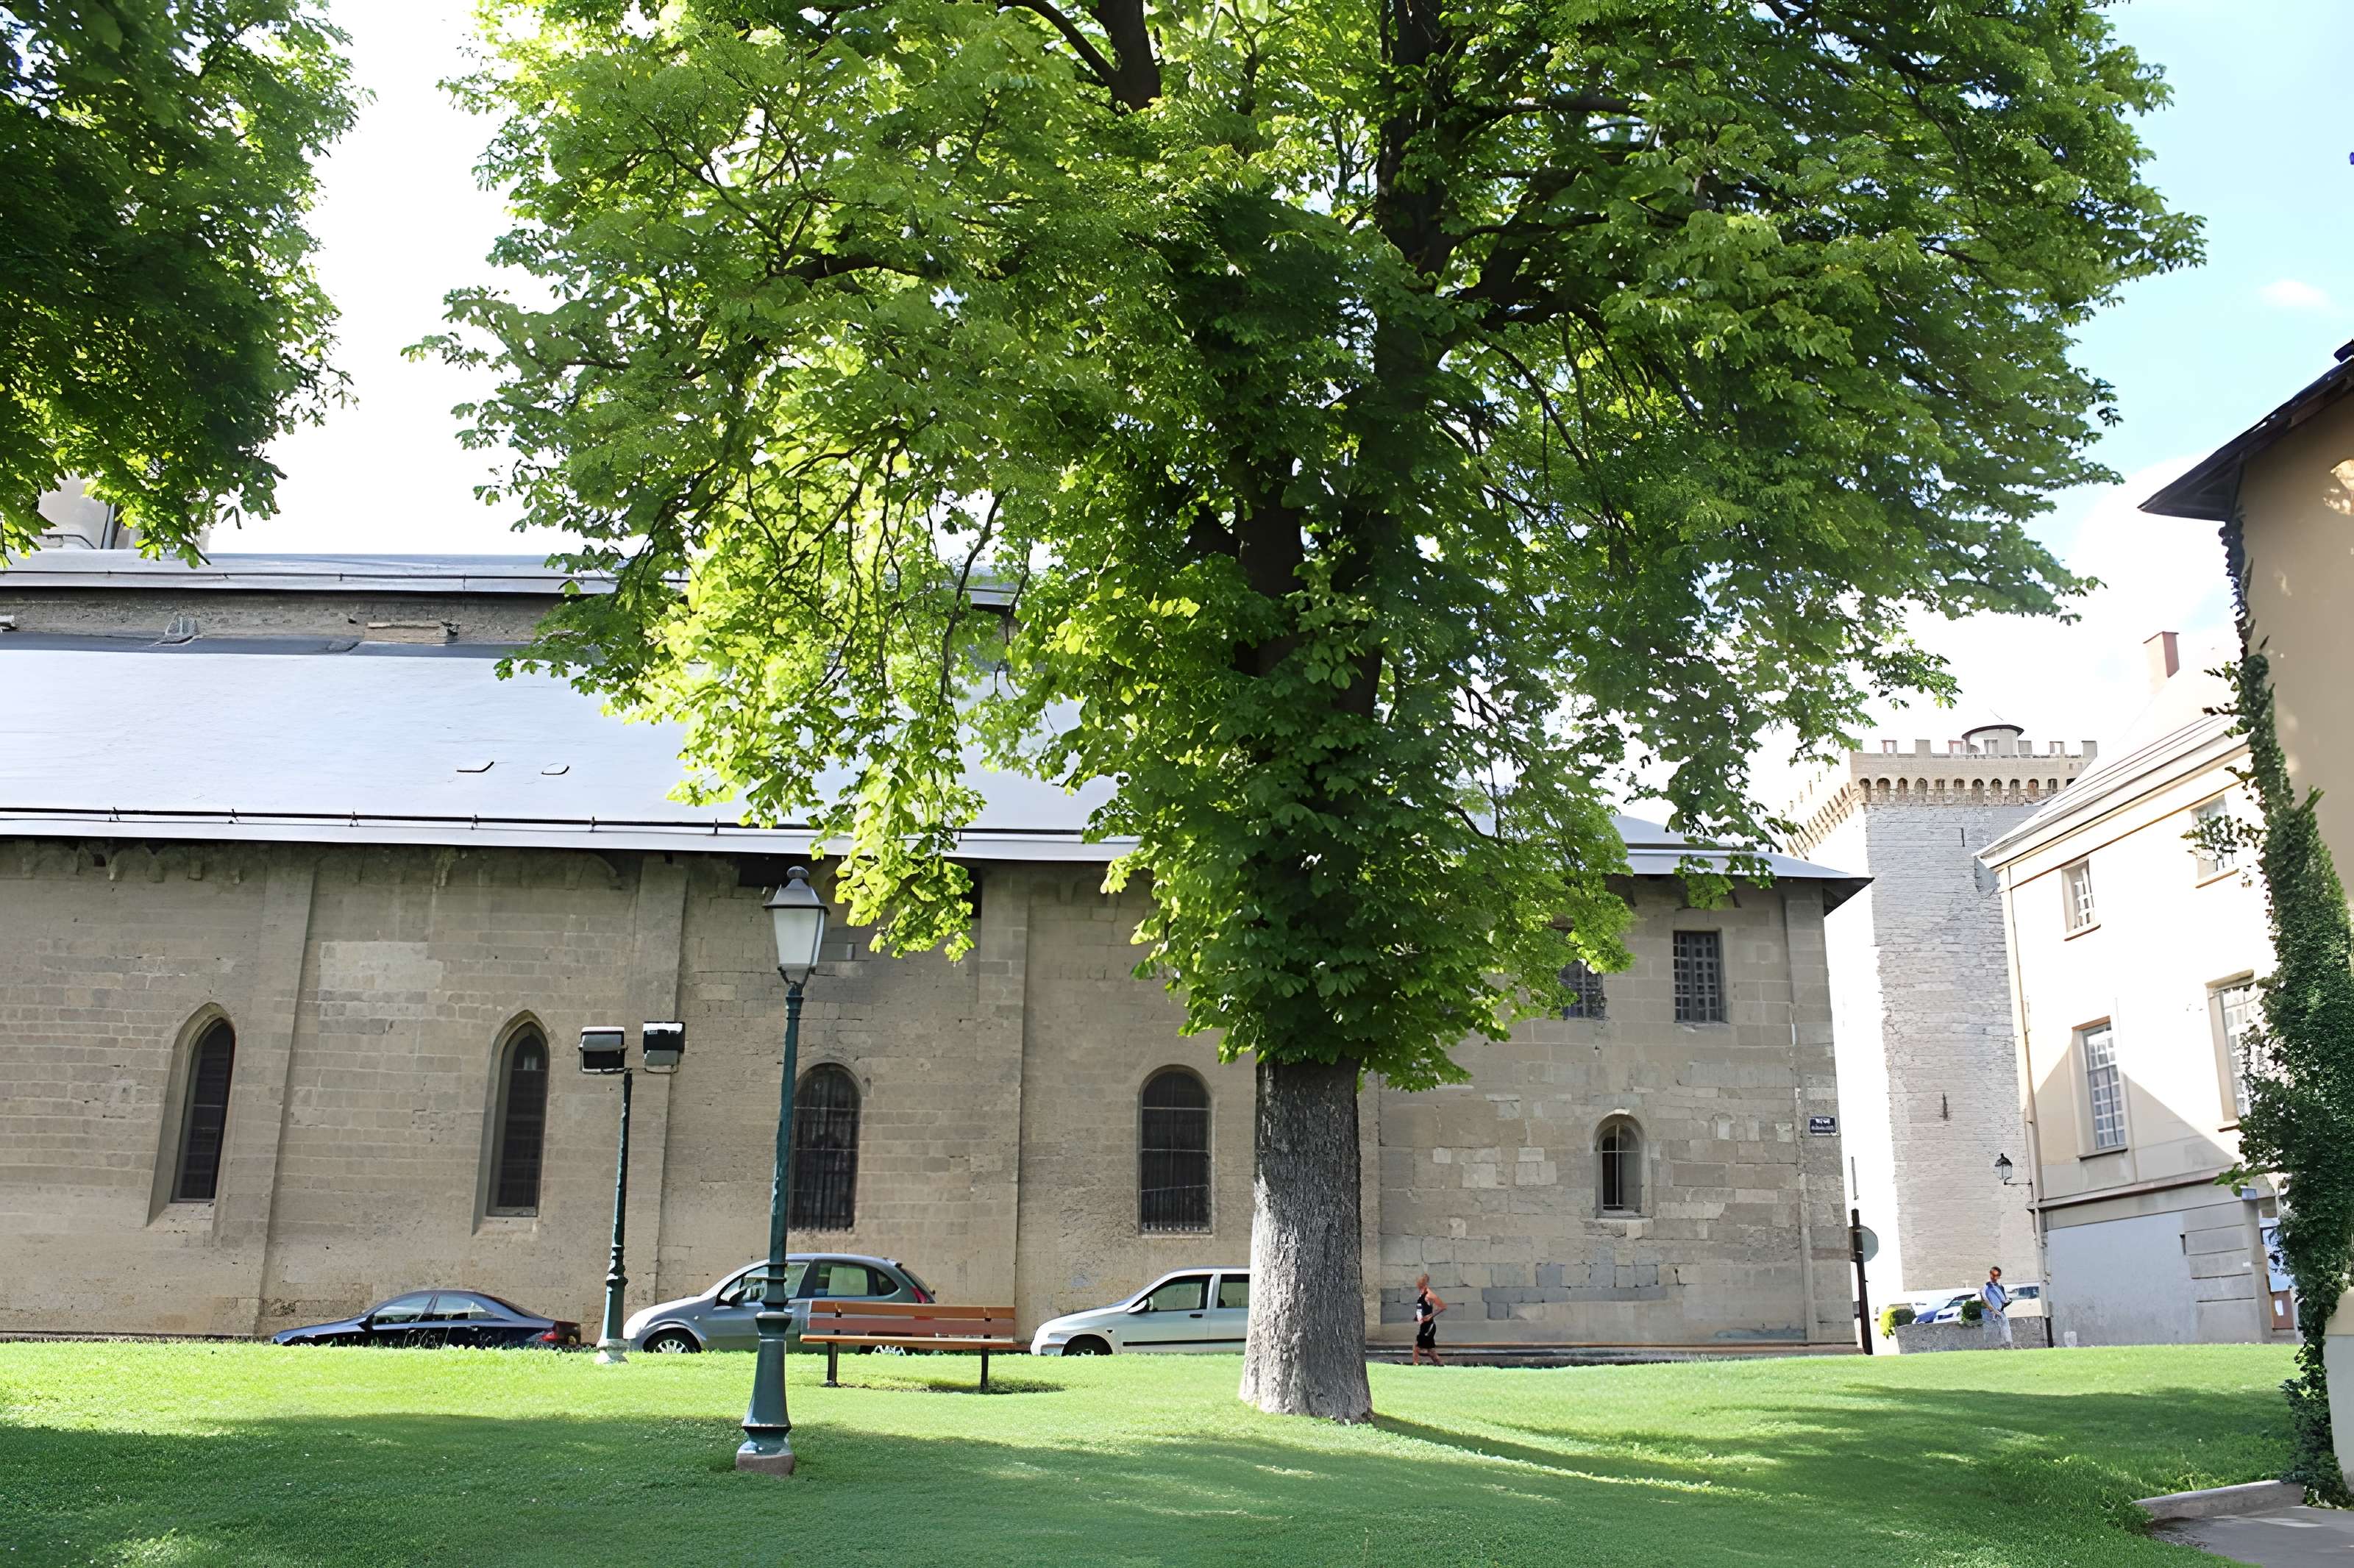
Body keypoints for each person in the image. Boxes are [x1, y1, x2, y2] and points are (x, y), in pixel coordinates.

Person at [1412, 1273, 1446, 1366]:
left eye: (1419, 1282)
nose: (1417, 1284)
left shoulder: (1429, 1294)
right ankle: (1440, 1364)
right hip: (1424, 1325)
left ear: (1424, 1283)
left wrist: (1431, 1315)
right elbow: (1422, 1307)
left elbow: (1443, 1306)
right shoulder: (1421, 1293)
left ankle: (1415, 1365)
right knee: (1430, 1351)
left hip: (1429, 1326)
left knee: (1416, 1346)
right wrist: (1418, 1317)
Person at [1981, 1265, 2012, 1347]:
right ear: (1990, 1274)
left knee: (2006, 1335)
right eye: (1993, 1275)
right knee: (1993, 1337)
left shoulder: (2000, 1287)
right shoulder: (1985, 1288)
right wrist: (1993, 1311)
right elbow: (1985, 1301)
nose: (1995, 1277)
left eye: (1997, 1276)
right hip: (1990, 1315)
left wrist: (2007, 1302)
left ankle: (2007, 1348)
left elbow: (2003, 1300)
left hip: (2000, 1313)